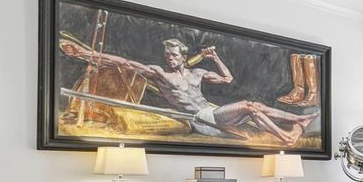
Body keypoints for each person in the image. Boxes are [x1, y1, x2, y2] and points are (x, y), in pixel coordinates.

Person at [59, 38, 317, 147]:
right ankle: (293, 125)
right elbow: (124, 63)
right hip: (200, 120)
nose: (169, 58)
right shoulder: (160, 74)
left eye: (173, 54)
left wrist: (214, 57)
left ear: (183, 56)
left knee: (253, 111)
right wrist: (84, 53)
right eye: (167, 54)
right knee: (250, 107)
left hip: (214, 113)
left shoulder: (197, 73)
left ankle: (289, 133)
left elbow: (228, 78)